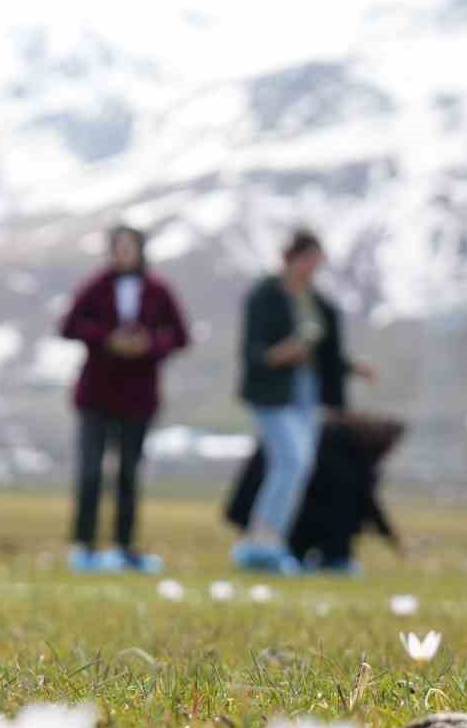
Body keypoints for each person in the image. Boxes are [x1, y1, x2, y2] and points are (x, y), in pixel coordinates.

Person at [233, 228, 373, 574]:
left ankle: (271, 540)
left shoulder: (316, 301)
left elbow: (326, 353)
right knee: (290, 460)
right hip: (273, 391)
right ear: (292, 258)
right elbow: (253, 350)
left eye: (317, 261)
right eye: (307, 259)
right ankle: (261, 541)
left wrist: (352, 368)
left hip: (308, 392)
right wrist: (281, 354)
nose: (312, 267)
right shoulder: (265, 295)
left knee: (300, 465)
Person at [60, 225, 190, 573]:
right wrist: (107, 339)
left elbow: (180, 336)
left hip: (138, 398)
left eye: (129, 247)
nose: (123, 254)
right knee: (91, 471)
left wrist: (149, 344)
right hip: (96, 394)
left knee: (128, 475)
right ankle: (84, 546)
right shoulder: (96, 286)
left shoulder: (159, 291)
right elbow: (69, 326)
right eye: (118, 248)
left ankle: (124, 546)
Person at [225, 411, 405, 574]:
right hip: (288, 518)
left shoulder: (319, 439)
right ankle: (319, 557)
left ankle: (289, 554)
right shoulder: (345, 458)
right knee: (341, 509)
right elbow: (363, 503)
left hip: (260, 511)